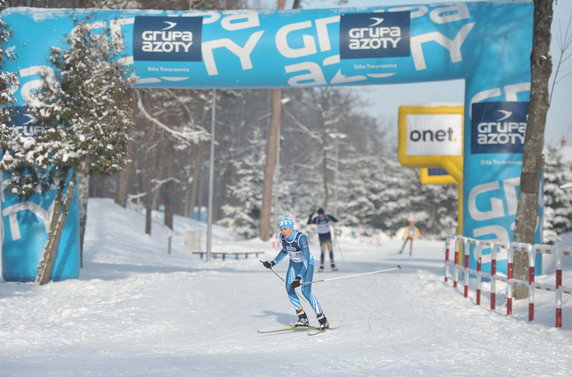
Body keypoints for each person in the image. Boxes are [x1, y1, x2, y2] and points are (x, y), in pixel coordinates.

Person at [261, 216, 329, 330]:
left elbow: (306, 259)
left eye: (285, 229)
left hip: (306, 265)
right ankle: (302, 317)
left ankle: (322, 319)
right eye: (281, 229)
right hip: (294, 265)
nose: (283, 231)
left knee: (305, 292)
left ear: (291, 228)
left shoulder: (300, 238)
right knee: (289, 288)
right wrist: (273, 263)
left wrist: (298, 278)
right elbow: (284, 250)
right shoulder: (283, 237)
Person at [307, 208, 338, 272]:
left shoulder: (327, 217)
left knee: (330, 251)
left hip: (328, 237)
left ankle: (333, 265)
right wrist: (310, 216)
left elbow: (336, 220)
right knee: (323, 252)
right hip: (321, 238)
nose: (321, 215)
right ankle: (321, 266)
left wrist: (331, 217)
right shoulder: (316, 219)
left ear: (323, 214)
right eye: (319, 214)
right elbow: (309, 223)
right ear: (318, 214)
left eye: (322, 214)